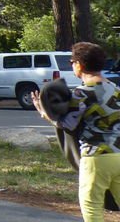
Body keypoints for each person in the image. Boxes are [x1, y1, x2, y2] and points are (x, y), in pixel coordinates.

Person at [34, 42, 120, 222]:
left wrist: (45, 114)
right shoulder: (116, 88)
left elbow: (68, 125)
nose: (72, 65)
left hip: (96, 157)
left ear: (79, 65)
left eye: (72, 62)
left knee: (91, 206)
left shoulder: (81, 94)